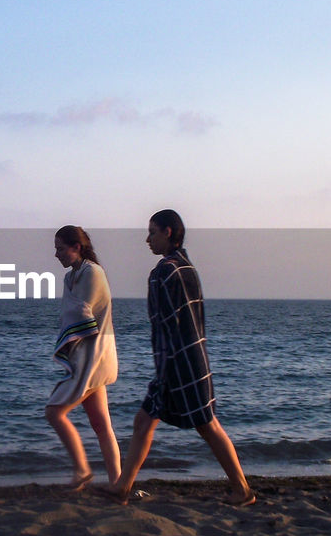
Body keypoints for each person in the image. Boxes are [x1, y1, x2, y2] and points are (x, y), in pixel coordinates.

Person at [103, 210, 255, 506]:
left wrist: (164, 370)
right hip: (194, 360)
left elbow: (166, 326)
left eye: (152, 232)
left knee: (206, 425)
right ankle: (122, 486)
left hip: (177, 364)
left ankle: (243, 489)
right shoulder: (187, 269)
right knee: (145, 422)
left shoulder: (163, 272)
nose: (147, 239)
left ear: (168, 232)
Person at [45, 225, 122, 489]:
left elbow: (80, 314)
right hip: (87, 358)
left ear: (76, 247)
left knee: (54, 412)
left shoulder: (92, 272)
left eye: (60, 249)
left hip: (95, 359)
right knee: (101, 425)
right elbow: (73, 312)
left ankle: (82, 470)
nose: (56, 255)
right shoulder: (71, 278)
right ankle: (118, 482)